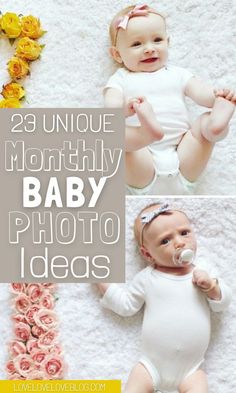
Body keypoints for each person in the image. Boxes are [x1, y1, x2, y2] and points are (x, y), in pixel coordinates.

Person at [97, 203, 232, 393]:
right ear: (147, 254)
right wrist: (102, 283)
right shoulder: (147, 278)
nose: (179, 242)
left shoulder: (203, 271)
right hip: (150, 367)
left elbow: (223, 304)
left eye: (184, 233)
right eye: (165, 241)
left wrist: (212, 287)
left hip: (191, 371)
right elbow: (126, 305)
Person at [104, 4, 236, 195]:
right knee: (110, 132)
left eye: (157, 40)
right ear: (117, 54)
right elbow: (111, 108)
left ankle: (216, 127)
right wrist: (125, 108)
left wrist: (216, 96)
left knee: (204, 123)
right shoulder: (120, 78)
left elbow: (201, 93)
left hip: (183, 155)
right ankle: (145, 133)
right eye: (136, 44)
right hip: (142, 160)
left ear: (168, 42)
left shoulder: (178, 74)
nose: (149, 49)